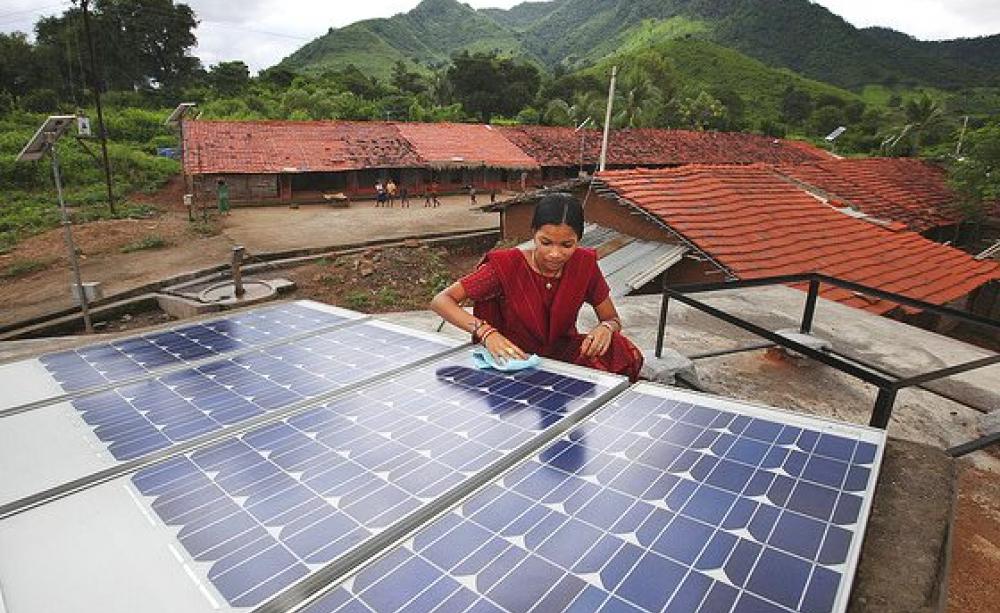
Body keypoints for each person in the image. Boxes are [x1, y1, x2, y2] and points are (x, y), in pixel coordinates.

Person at [431, 193, 643, 381]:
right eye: (546, 242)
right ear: (533, 234)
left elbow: (611, 318)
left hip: (563, 354)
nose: (555, 254)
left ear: (579, 239)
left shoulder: (584, 265)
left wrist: (605, 328)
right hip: (513, 356)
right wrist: (487, 333)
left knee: (618, 347)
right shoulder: (505, 267)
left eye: (567, 245)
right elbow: (441, 301)